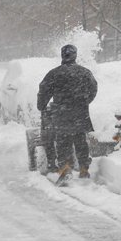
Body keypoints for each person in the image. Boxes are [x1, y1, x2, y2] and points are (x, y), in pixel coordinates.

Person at [37, 44, 98, 187]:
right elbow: (93, 88)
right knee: (80, 141)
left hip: (61, 113)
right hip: (80, 114)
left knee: (63, 142)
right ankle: (83, 168)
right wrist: (85, 101)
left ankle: (64, 168)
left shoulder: (54, 73)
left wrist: (42, 105)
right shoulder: (85, 73)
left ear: (62, 56)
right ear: (76, 56)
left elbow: (43, 90)